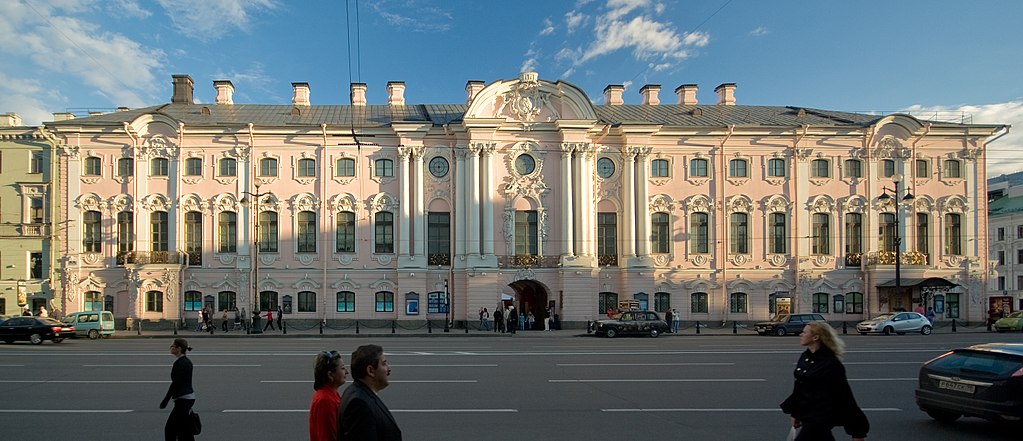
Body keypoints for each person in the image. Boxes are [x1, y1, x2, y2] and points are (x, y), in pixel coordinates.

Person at [781, 322, 868, 441]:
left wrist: (858, 432)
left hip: (820, 418)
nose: (800, 334)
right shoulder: (805, 356)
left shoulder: (831, 364)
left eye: (805, 332)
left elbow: (844, 397)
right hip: (809, 417)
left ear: (815, 337)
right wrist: (795, 413)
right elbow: (800, 388)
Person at [338, 344, 402, 440]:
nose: (389, 369)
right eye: (384, 364)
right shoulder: (359, 404)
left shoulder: (360, 394)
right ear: (370, 371)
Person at [160, 338, 196, 441]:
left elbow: (175, 383)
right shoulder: (186, 361)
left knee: (170, 429)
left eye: (172, 346)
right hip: (187, 398)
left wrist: (165, 401)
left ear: (178, 348)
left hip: (183, 399)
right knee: (184, 430)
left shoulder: (179, 363)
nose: (170, 348)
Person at [309, 350, 348, 441]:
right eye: (342, 368)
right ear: (330, 375)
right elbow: (328, 436)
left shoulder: (330, 394)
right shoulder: (325, 400)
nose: (346, 372)